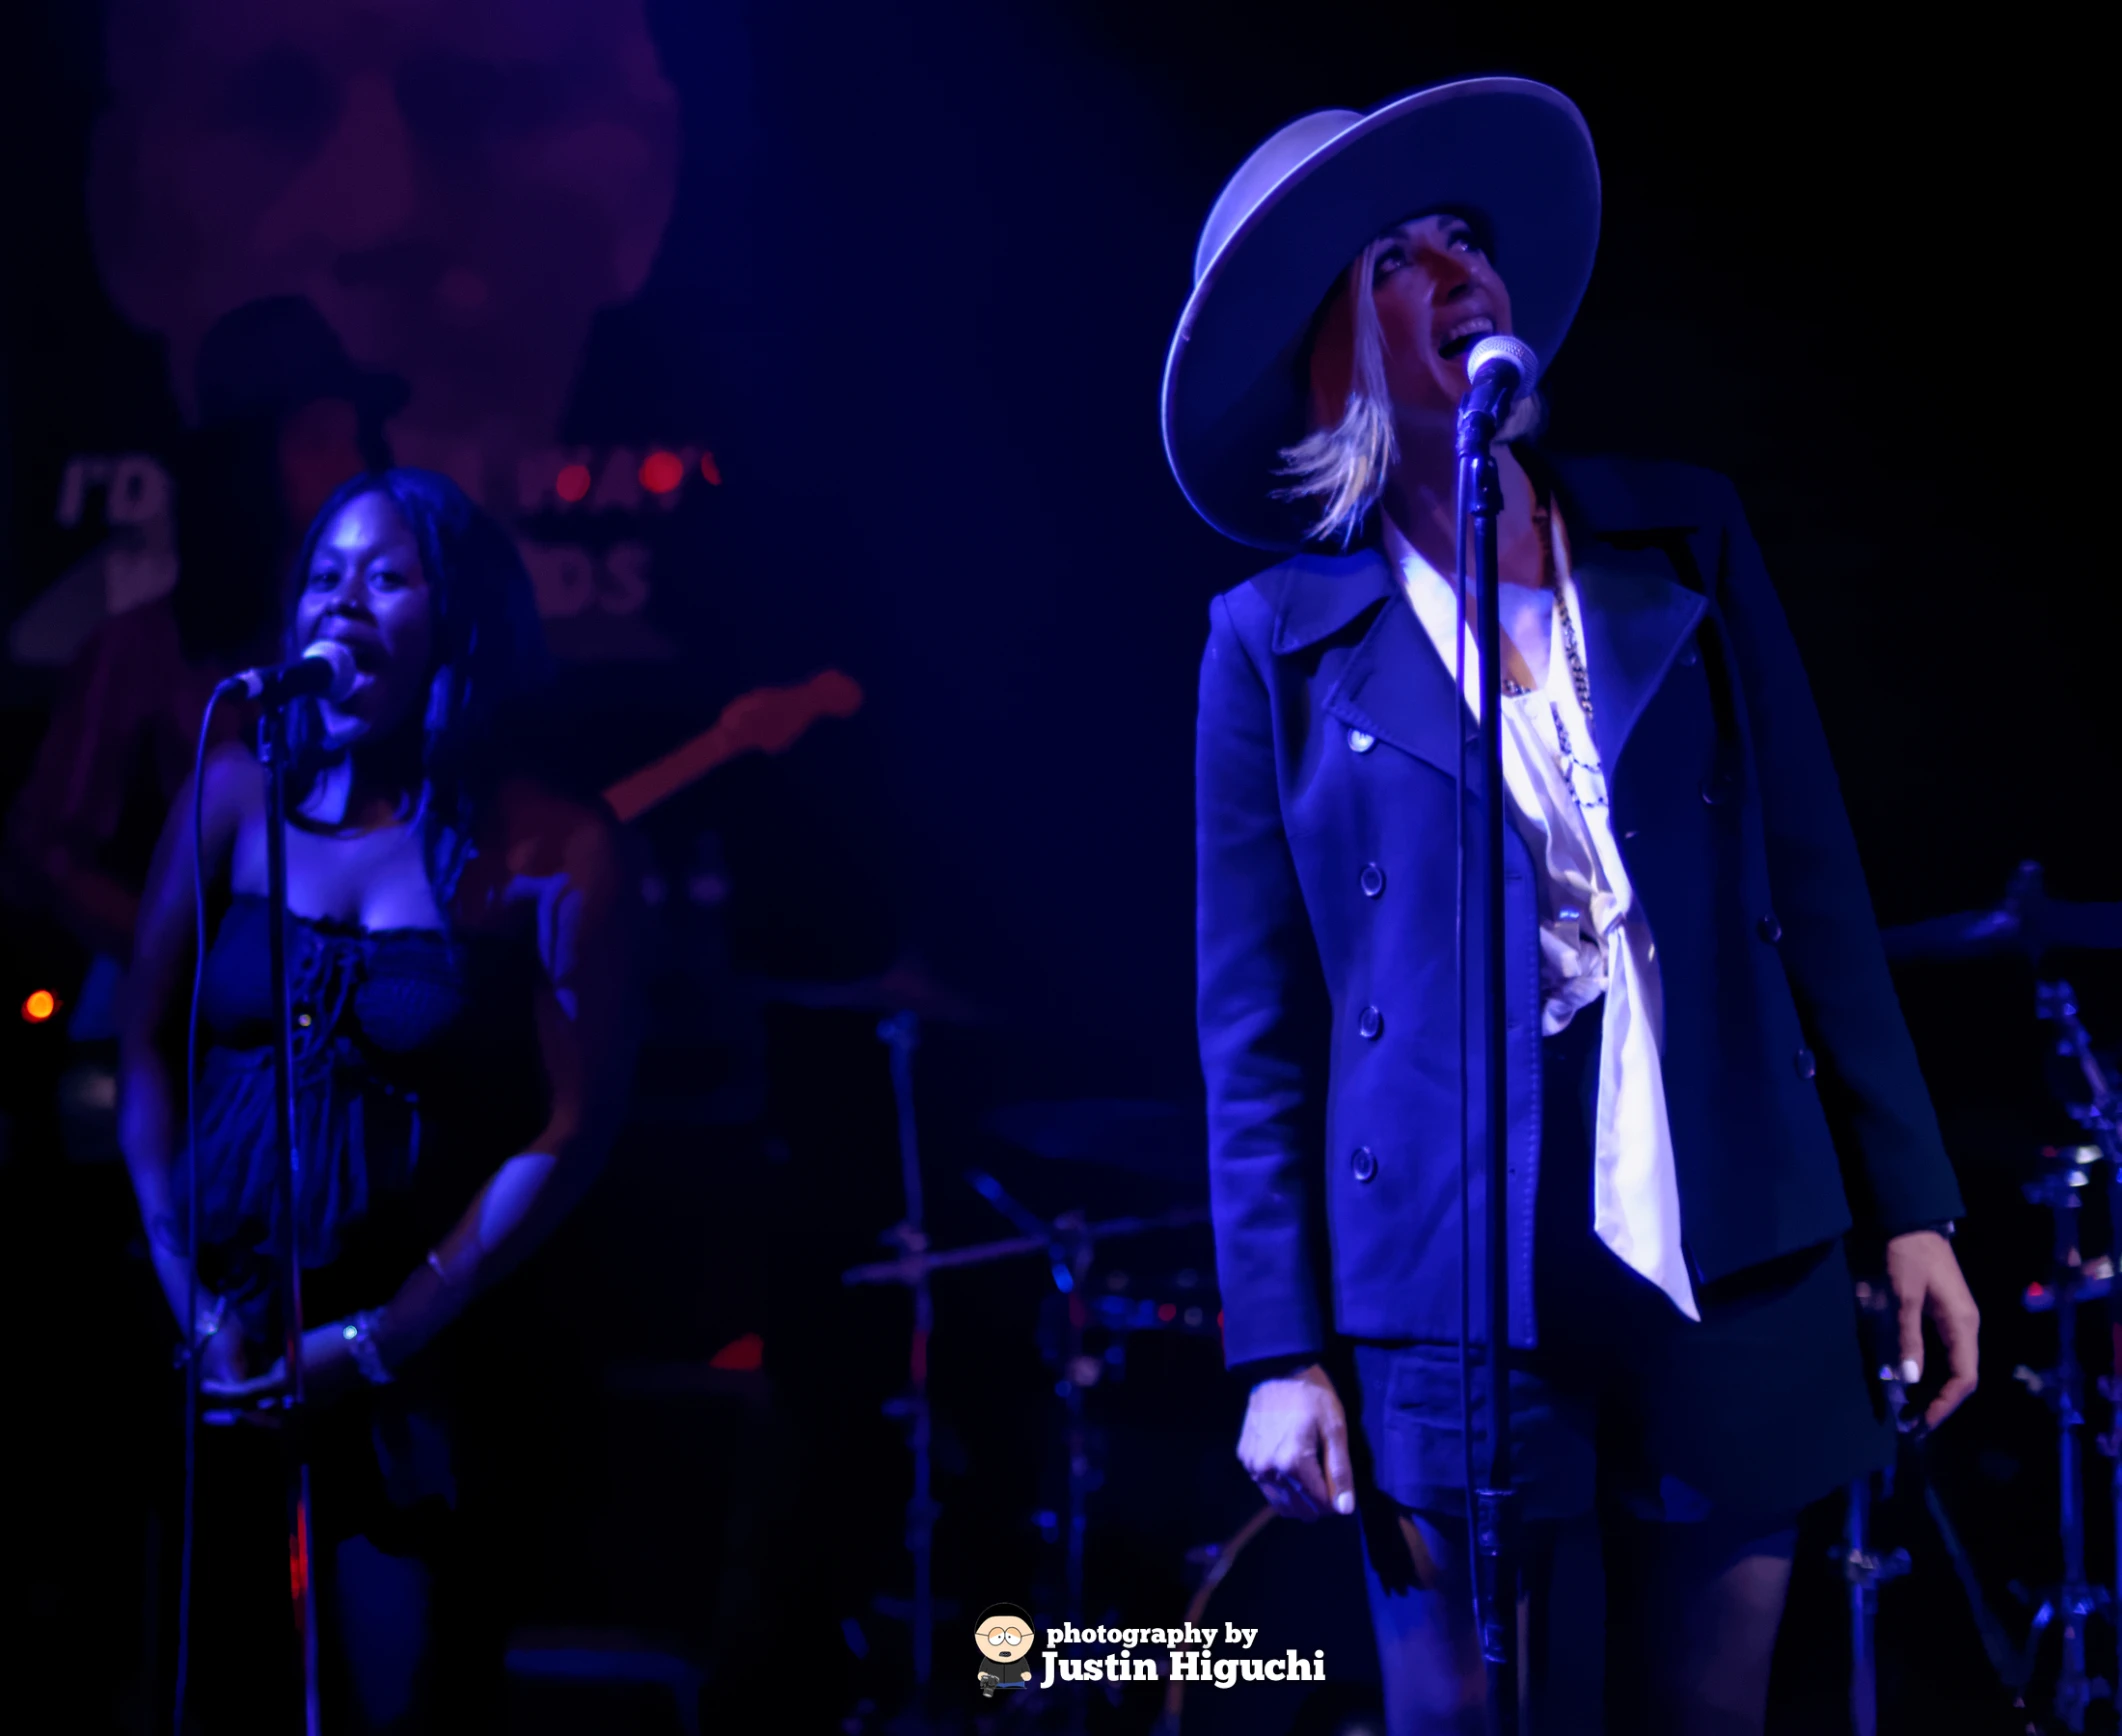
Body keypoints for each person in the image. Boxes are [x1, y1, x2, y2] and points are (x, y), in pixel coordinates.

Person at [1172, 80, 1979, 1733]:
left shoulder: (1676, 537)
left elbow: (1812, 883)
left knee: (1711, 1713)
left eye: (1463, 234)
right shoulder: (1271, 640)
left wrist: (1911, 1202)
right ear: (1330, 342)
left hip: (1725, 1231)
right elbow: (1253, 1021)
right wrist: (1277, 1347)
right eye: (1396, 255)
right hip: (1443, 1274)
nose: (1456, 265)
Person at [117, 467, 638, 1728]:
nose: (340, 599)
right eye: (324, 572)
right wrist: (197, 1310)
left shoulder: (547, 851)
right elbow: (144, 1059)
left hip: (423, 1377)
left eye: (387, 574)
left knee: (402, 1705)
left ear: (455, 620)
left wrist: (375, 1340)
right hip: (220, 1359)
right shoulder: (233, 797)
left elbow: (571, 1127)